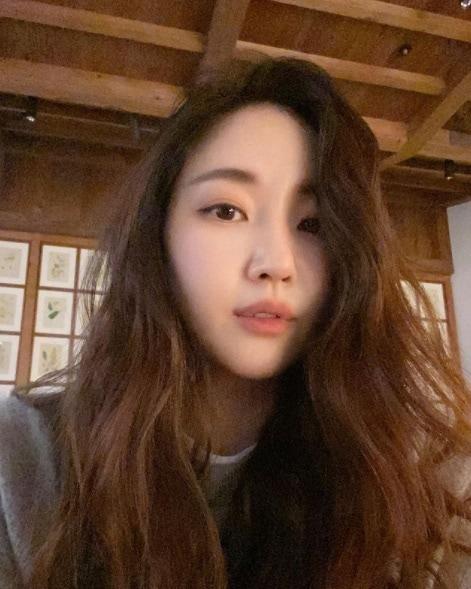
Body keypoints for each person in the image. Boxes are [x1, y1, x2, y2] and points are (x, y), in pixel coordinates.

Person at [0, 57, 469, 589]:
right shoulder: (24, 460)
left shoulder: (422, 472)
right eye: (226, 210)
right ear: (158, 233)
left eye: (313, 223)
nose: (276, 263)